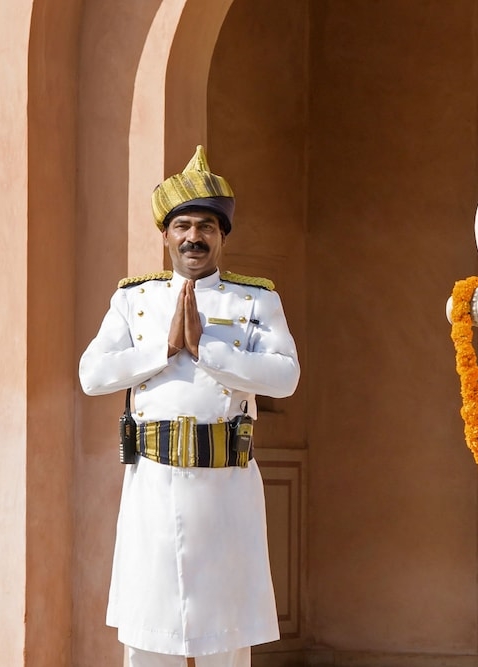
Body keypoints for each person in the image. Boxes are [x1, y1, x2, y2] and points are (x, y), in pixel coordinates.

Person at [79, 146, 300, 667]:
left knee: (226, 635)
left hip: (226, 485)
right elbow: (92, 375)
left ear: (223, 236)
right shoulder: (134, 299)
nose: (194, 237)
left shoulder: (257, 300)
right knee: (148, 631)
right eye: (183, 225)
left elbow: (286, 377)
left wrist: (209, 351)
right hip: (152, 483)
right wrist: (165, 348)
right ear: (166, 235)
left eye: (206, 226)